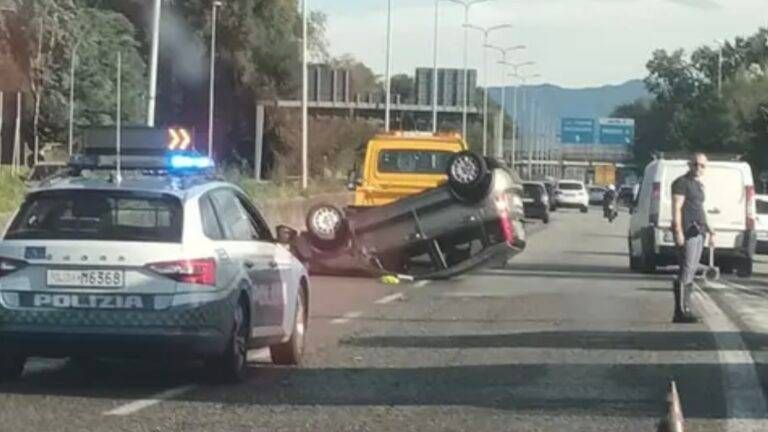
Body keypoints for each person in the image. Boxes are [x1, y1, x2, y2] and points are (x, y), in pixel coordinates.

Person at [671, 153, 715, 323]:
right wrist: (678, 231)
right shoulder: (681, 183)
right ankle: (681, 311)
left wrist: (710, 227)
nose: (699, 168)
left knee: (692, 268)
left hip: (699, 231)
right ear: (689, 164)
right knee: (686, 268)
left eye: (703, 165)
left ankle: (686, 308)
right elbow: (676, 208)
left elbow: (699, 208)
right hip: (687, 231)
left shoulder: (698, 185)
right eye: (696, 164)